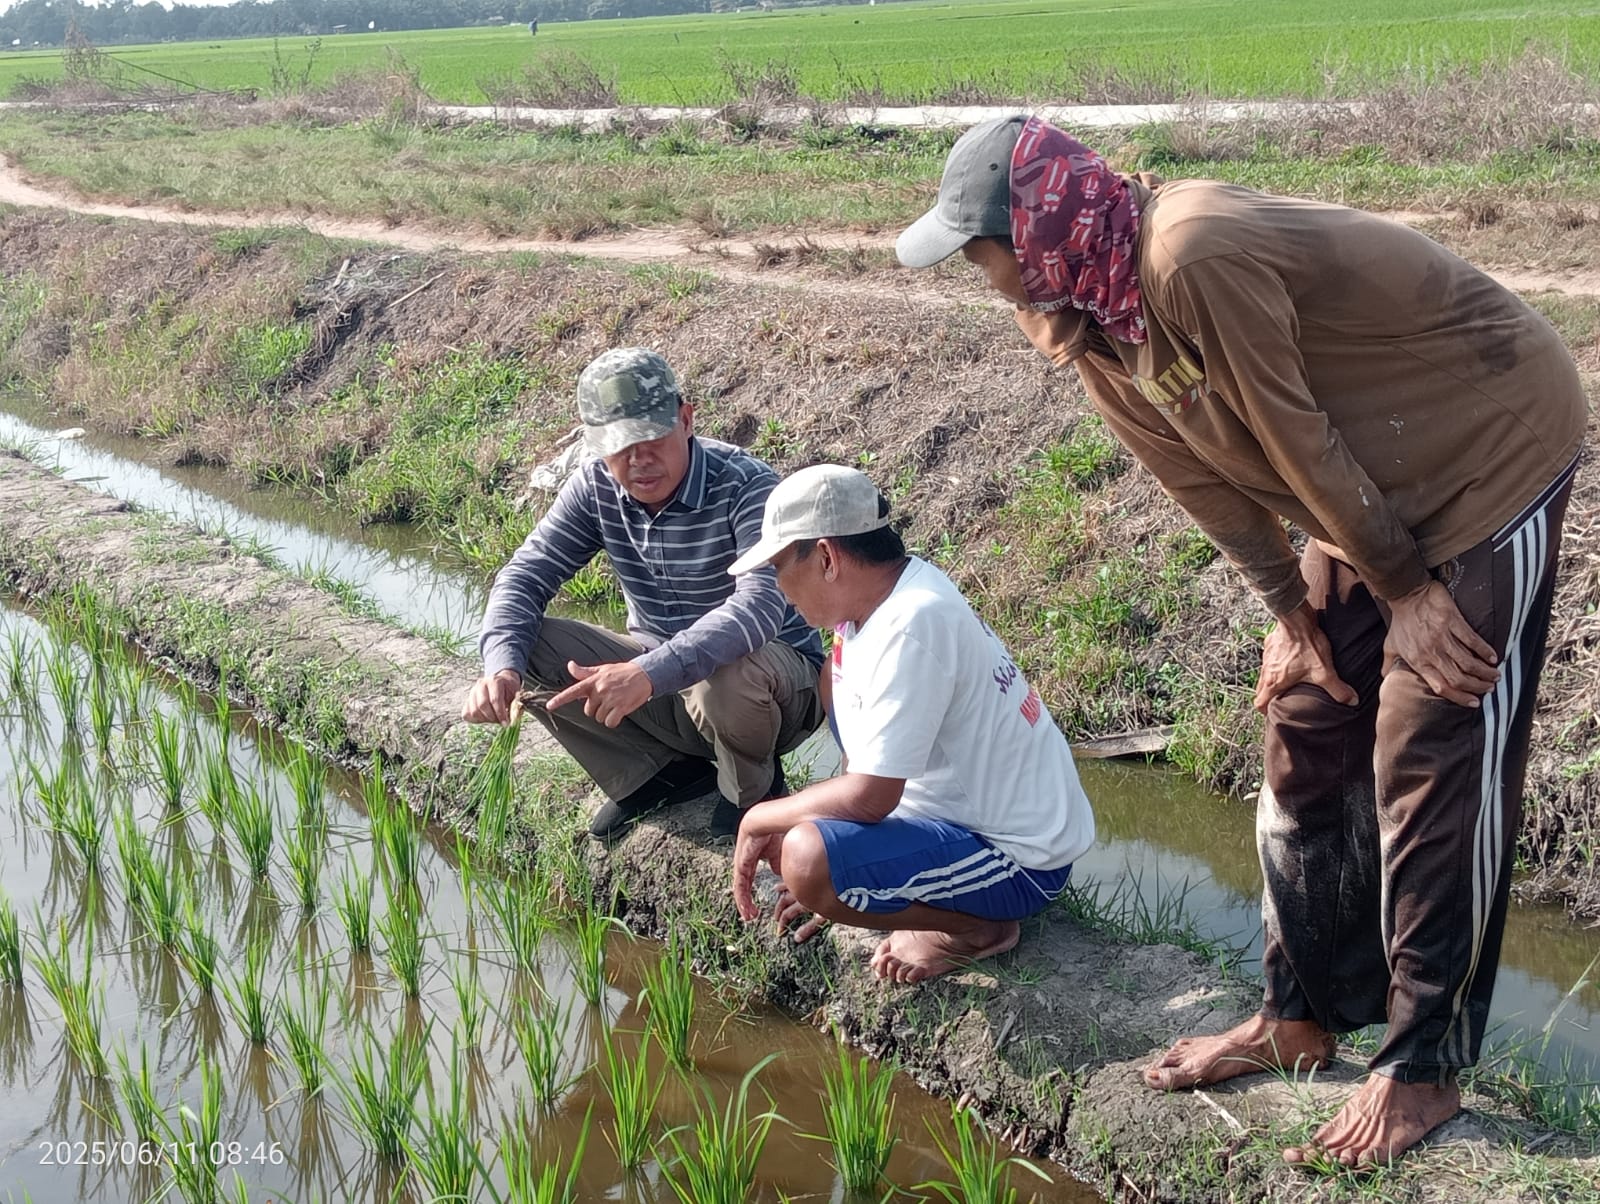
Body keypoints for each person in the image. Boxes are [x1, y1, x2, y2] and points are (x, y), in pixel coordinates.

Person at [896, 114, 1587, 1166]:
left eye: (980, 250)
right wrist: (1291, 613)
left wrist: (1405, 589)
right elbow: (1198, 474)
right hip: (1367, 480)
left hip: (1484, 451)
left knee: (1432, 742)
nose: (980, 276)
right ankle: (1297, 1015)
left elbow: (1293, 431)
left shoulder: (1189, 252)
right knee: (1307, 713)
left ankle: (1424, 1067)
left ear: (1036, 231)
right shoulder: (1090, 319)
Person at [727, 464, 1096, 983]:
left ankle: (978, 929)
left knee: (808, 859)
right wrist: (856, 868)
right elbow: (865, 768)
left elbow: (871, 798)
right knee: (831, 681)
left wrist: (760, 818)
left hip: (1019, 858)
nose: (779, 586)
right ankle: (883, 880)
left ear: (827, 557)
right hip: (948, 816)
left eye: (780, 566)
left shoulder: (913, 624)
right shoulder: (882, 598)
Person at [462, 347, 824, 841]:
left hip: (770, 689)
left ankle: (753, 792)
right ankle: (656, 775)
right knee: (531, 643)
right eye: (619, 445)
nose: (639, 460)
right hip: (664, 682)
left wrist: (648, 672)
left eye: (652, 438)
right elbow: (525, 575)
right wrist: (500, 668)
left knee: (724, 673)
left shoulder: (746, 485)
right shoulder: (594, 487)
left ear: (686, 420)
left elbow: (757, 608)